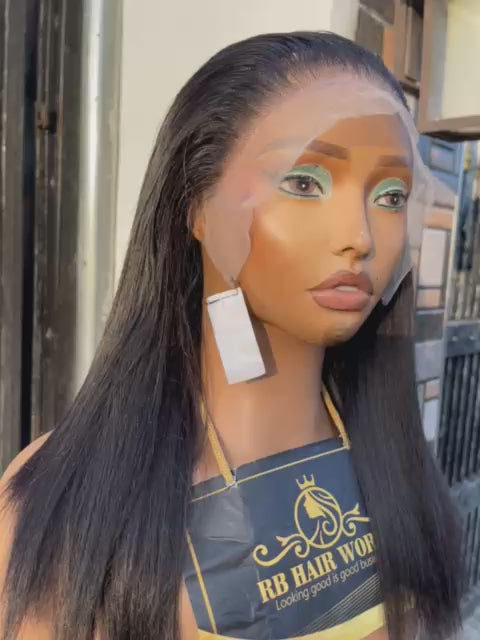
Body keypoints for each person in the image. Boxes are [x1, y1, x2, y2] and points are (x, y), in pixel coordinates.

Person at [0, 32, 462, 640]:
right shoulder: (68, 502)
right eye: (305, 183)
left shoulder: (395, 470)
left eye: (390, 195)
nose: (360, 237)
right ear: (197, 204)